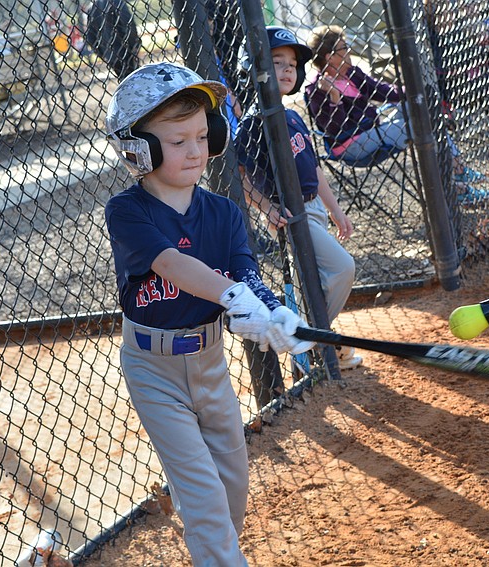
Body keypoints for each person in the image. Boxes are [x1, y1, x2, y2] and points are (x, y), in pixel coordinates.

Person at [103, 62, 314, 565]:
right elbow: (171, 264)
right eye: (177, 141)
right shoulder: (127, 211)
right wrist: (231, 297)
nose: (196, 149)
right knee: (202, 495)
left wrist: (270, 312)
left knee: (231, 489)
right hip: (154, 371)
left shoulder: (223, 212)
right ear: (140, 149)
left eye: (203, 135)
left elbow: (247, 274)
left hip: (211, 362)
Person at [235, 26, 363, 371]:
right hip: (292, 214)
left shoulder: (291, 116)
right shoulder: (252, 123)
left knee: (316, 282)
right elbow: (242, 178)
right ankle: (314, 339)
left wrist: (336, 211)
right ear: (255, 67)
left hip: (315, 208)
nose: (288, 69)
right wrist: (267, 207)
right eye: (277, 62)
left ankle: (310, 343)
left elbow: (315, 169)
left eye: (292, 63)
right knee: (341, 269)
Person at [304, 25, 489, 204]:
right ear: (330, 57)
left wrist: (414, 91)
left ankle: (457, 173)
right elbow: (336, 128)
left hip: (372, 131)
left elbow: (381, 90)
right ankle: (459, 181)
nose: (349, 50)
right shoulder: (317, 89)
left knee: (413, 106)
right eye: (344, 48)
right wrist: (334, 97)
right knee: (418, 126)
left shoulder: (351, 74)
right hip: (350, 144)